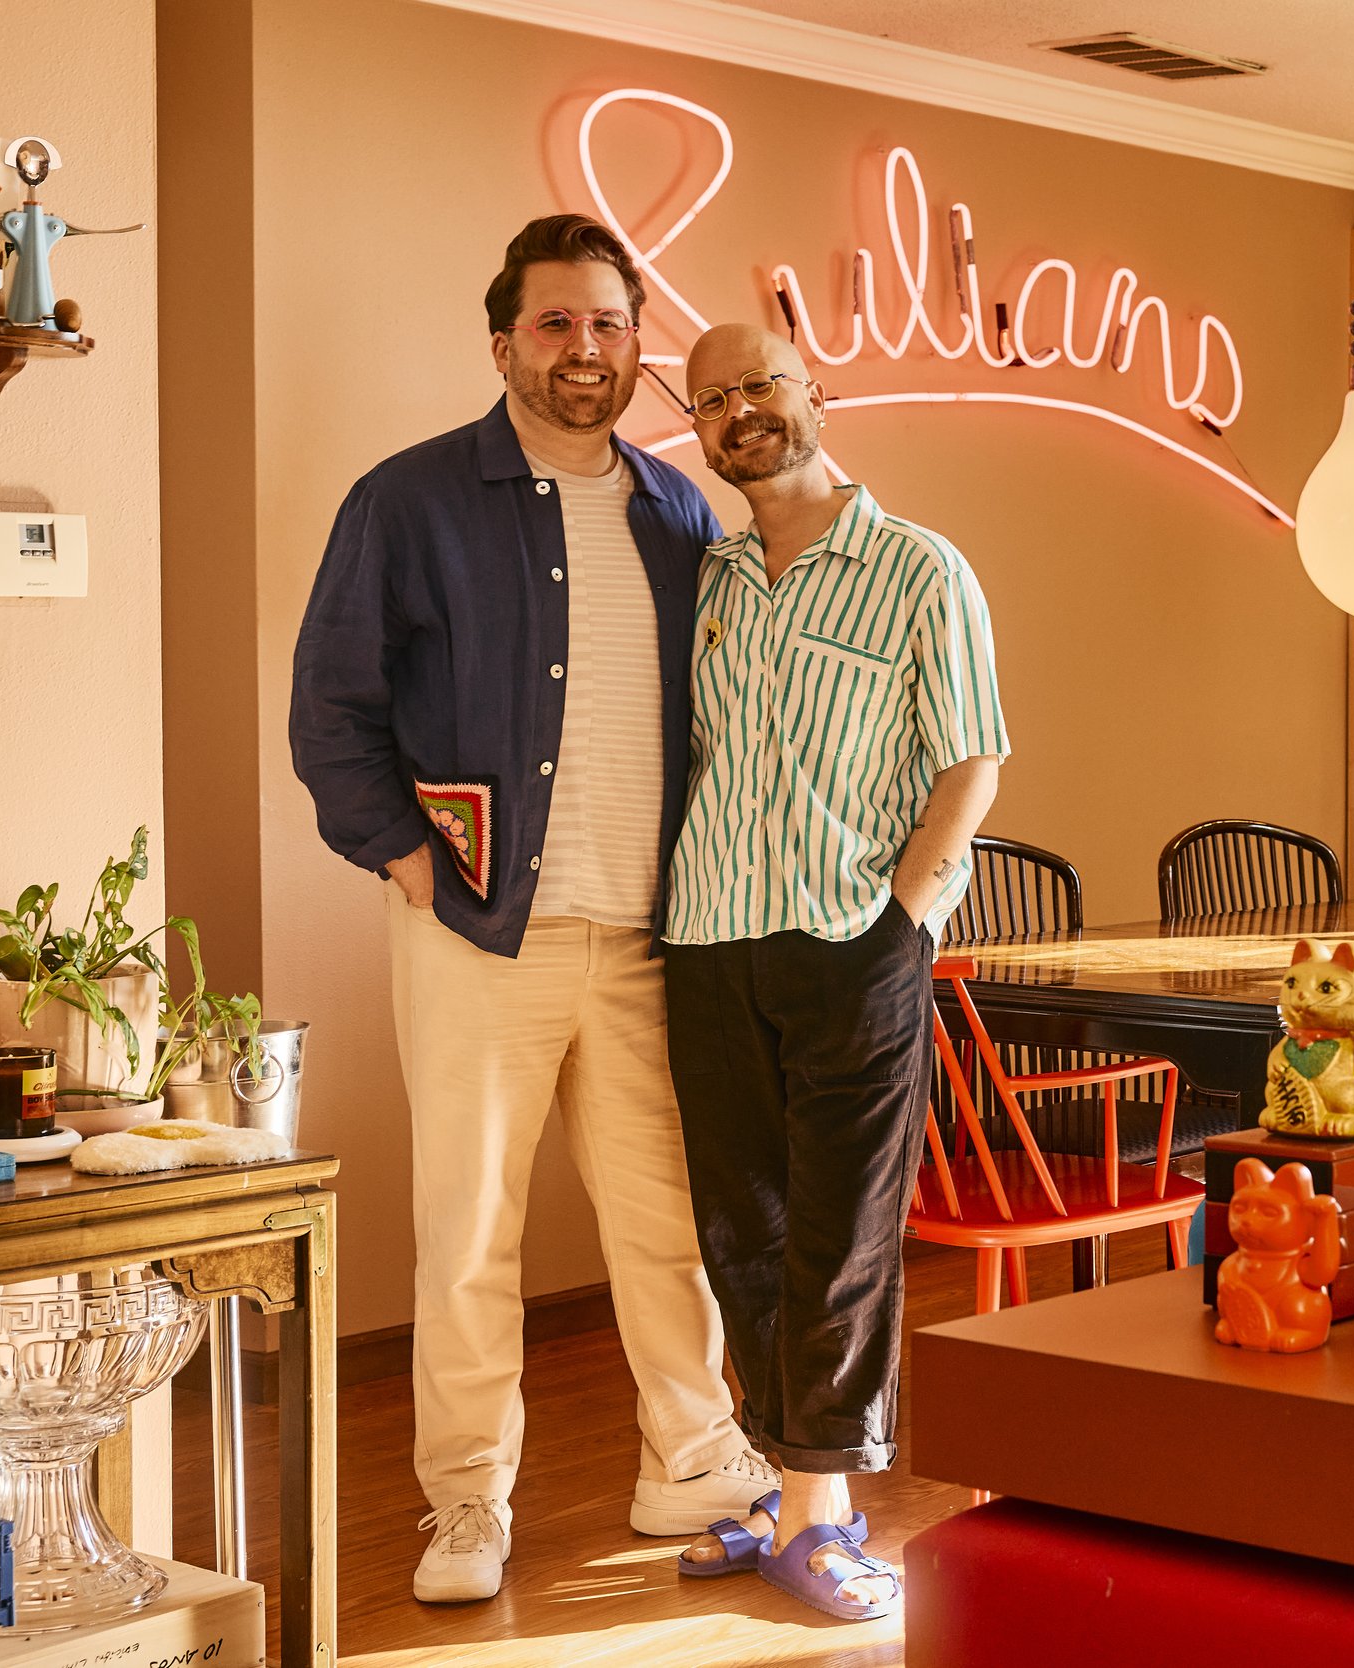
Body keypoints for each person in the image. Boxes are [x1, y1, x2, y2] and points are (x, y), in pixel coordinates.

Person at [288, 215, 773, 1605]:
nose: (585, 350)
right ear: (503, 341)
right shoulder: (410, 501)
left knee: (663, 1223)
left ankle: (689, 1455)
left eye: (610, 326)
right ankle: (464, 1502)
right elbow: (332, 708)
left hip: (646, 937)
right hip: (477, 935)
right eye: (556, 324)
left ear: (638, 350)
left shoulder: (680, 515)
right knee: (469, 1233)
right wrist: (406, 859)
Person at [661, 322, 1008, 1620]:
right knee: (738, 1233)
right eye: (714, 398)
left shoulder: (922, 569)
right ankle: (781, 1483)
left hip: (852, 941)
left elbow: (972, 758)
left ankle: (822, 1512)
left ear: (818, 395)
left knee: (842, 1238)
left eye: (762, 384)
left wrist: (902, 917)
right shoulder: (706, 579)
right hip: (707, 940)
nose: (741, 409)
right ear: (698, 426)